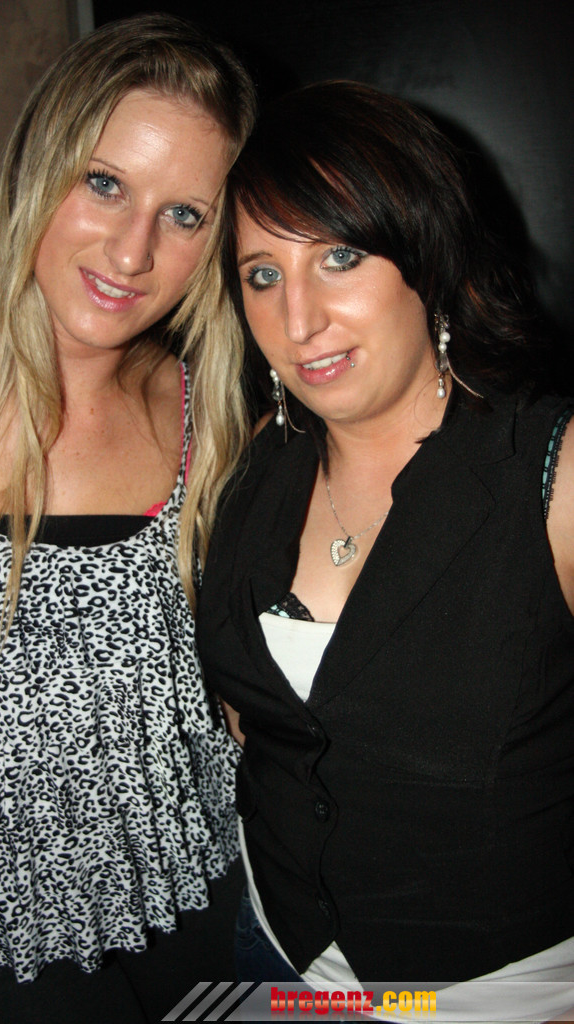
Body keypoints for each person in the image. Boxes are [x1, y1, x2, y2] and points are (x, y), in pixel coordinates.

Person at [0, 14, 255, 1023]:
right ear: (37, 170)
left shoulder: (209, 414)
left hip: (215, 922)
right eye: (104, 183)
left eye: (184, 215)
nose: (133, 250)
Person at [196, 81, 574, 1022]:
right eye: (263, 275)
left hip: (502, 994)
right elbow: (262, 717)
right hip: (278, 958)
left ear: (427, 256)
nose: (299, 320)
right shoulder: (257, 463)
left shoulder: (554, 472)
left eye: (340, 256)